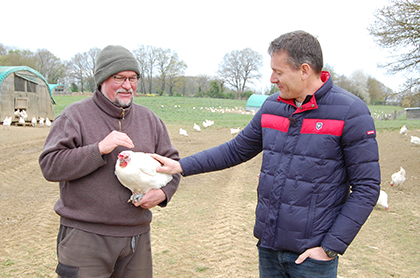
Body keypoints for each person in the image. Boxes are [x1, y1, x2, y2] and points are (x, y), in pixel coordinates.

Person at [151, 30, 381, 278]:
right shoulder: (272, 107)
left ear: (304, 70)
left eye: (278, 72)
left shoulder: (350, 112)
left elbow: (367, 187)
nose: (272, 79)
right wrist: (180, 166)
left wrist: (330, 247)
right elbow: (235, 149)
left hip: (312, 257)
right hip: (269, 247)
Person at [39, 45, 181, 278]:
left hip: (136, 239)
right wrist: (98, 150)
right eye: (119, 78)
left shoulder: (150, 120)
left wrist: (164, 193)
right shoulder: (74, 116)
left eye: (133, 78)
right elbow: (50, 165)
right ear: (102, 79)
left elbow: (173, 165)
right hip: (85, 237)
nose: (128, 86)